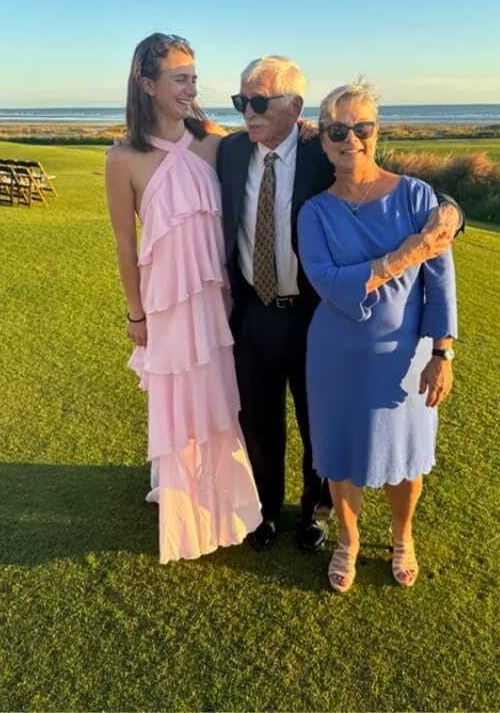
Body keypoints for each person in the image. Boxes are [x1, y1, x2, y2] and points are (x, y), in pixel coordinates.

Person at [217, 57, 462, 553]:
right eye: (241, 101)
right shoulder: (230, 150)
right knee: (258, 420)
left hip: (313, 315)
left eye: (259, 101)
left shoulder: (321, 150)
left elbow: (395, 187)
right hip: (254, 311)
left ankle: (317, 512)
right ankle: (264, 510)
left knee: (318, 423)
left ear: (294, 108)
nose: (248, 112)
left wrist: (452, 213)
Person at [105, 32, 261, 563]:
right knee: (178, 404)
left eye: (193, 78)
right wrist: (136, 314)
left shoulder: (212, 143)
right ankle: (182, 504)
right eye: (179, 79)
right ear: (147, 84)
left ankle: (221, 502)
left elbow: (266, 143)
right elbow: (125, 244)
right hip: (166, 304)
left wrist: (303, 128)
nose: (191, 88)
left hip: (216, 300)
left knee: (217, 401)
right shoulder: (123, 158)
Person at [297, 82, 458, 592]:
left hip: (405, 358)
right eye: (337, 131)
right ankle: (347, 539)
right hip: (335, 356)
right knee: (340, 455)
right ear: (323, 141)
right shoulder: (314, 211)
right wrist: (404, 255)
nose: (351, 139)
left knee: (406, 458)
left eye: (361, 127)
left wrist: (442, 352)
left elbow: (440, 282)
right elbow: (328, 282)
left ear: (376, 131)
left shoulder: (417, 196)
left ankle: (402, 535)